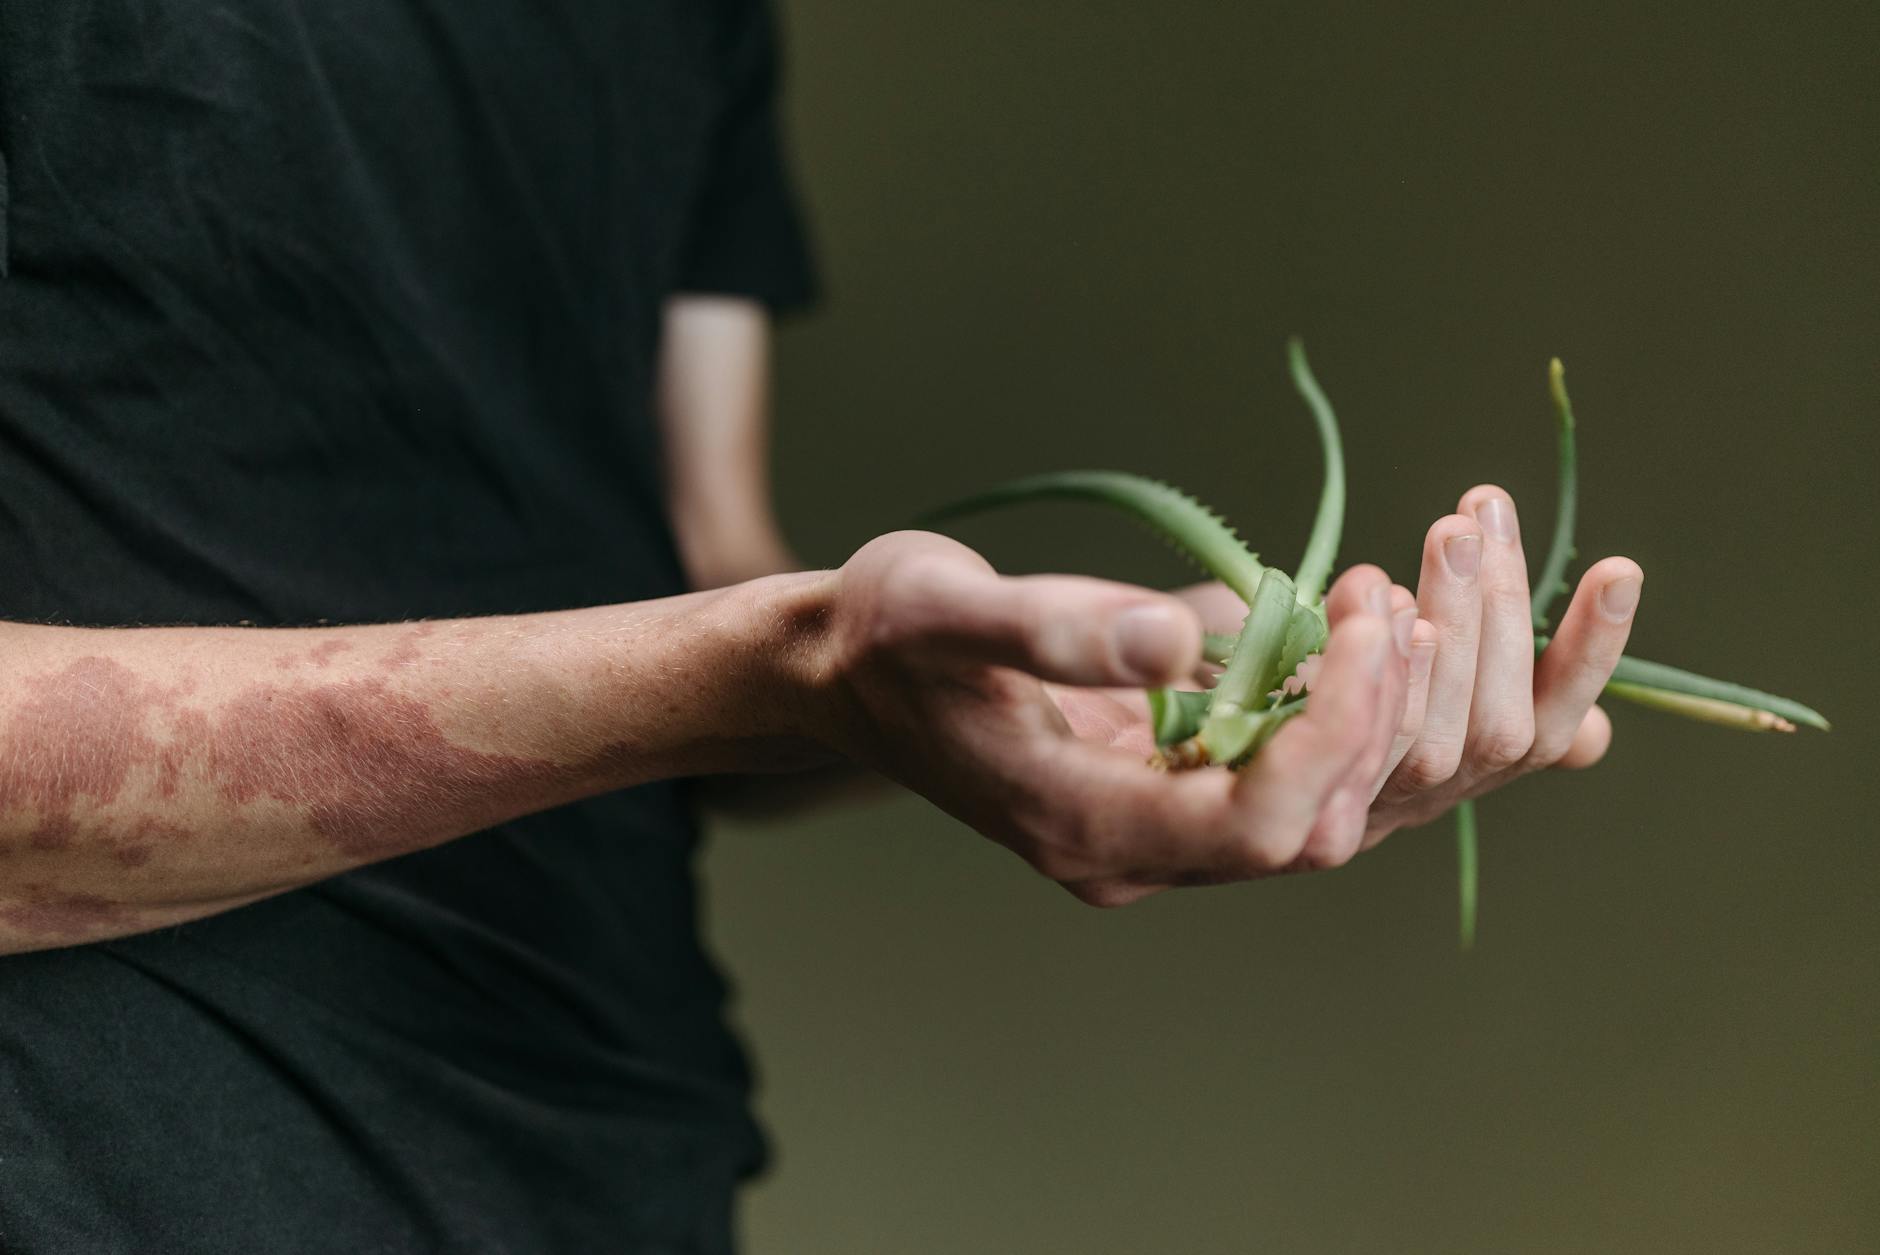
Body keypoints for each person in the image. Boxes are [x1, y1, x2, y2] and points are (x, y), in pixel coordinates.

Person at [0, 1, 1643, 1250]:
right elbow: (730, 651)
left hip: (609, 1155)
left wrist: (951, 682)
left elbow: (704, 568)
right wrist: (777, 662)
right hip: (117, 1164)